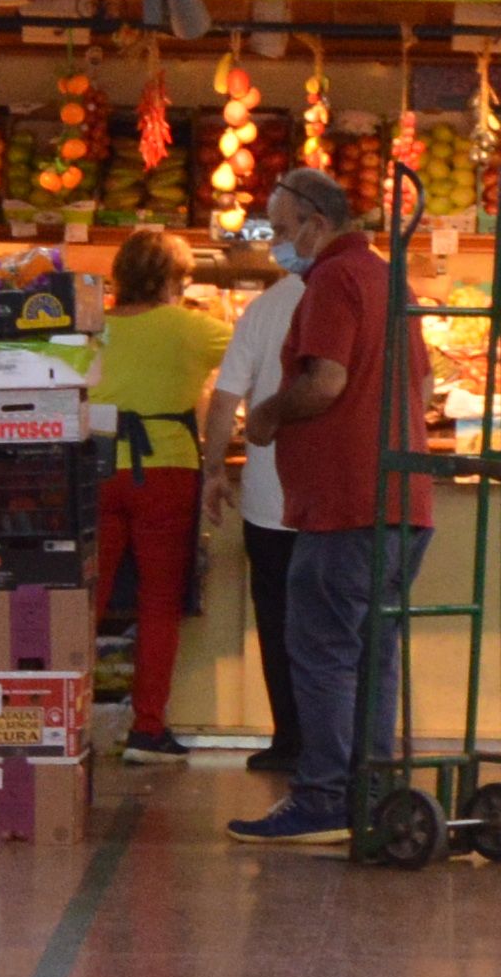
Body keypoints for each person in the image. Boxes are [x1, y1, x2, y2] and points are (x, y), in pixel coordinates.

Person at [227, 165, 428, 846]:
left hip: (345, 503)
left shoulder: (333, 280)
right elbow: (420, 384)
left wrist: (268, 416)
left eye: (283, 231)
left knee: (322, 654)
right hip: (401, 501)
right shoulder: (385, 277)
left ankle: (321, 797)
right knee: (373, 654)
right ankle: (370, 791)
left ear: (316, 222)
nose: (278, 244)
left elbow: (327, 380)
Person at [81, 230, 225, 757]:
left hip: (93, 465)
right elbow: (255, 364)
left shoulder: (90, 329)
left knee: (85, 599)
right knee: (159, 603)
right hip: (166, 470)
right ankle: (146, 729)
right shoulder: (195, 328)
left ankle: (62, 718)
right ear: (172, 280)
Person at [198, 226, 315, 782]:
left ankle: (290, 738)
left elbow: (224, 400)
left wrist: (214, 470)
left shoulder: (264, 308)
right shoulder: (363, 297)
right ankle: (343, 743)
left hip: (270, 500)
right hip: (340, 502)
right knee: (340, 626)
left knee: (278, 623)